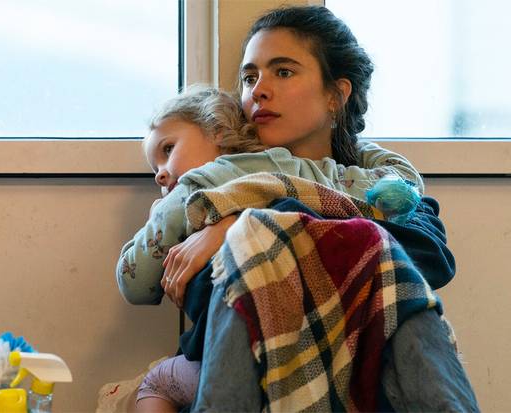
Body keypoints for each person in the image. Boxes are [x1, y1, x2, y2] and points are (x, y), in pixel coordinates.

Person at [181, 6, 478, 411]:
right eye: (250, 77)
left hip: (370, 368)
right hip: (260, 374)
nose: (258, 90)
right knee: (362, 240)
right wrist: (242, 229)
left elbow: (431, 257)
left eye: (282, 72)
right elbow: (198, 295)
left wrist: (258, 224)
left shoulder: (381, 186)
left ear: (336, 95)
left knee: (376, 246)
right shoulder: (224, 188)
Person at [121, 84, 426, 411]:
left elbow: (135, 282)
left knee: (157, 382)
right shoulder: (296, 168)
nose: (161, 175)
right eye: (155, 169)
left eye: (168, 150)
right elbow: (403, 183)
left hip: (243, 359)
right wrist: (353, 144)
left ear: (218, 131)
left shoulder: (191, 190)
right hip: (330, 353)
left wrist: (156, 218)